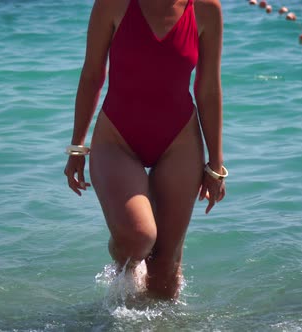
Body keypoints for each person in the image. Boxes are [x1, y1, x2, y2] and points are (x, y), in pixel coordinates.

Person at [64, 0, 226, 300]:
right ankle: (120, 250)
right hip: (117, 138)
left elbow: (208, 89)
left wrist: (216, 164)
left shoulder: (206, 8)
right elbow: (92, 75)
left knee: (164, 270)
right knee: (138, 238)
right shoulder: (114, 4)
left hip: (179, 140)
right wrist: (77, 146)